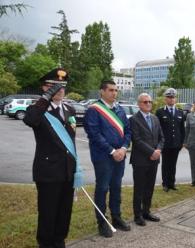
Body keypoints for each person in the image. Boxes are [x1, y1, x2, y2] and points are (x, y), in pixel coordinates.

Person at [23, 68, 77, 247]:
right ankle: (45, 243)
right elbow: (30, 120)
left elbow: (71, 142)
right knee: (48, 211)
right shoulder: (37, 109)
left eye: (62, 86)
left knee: (64, 210)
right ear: (45, 87)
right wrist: (46, 98)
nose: (60, 90)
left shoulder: (69, 109)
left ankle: (59, 240)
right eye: (54, 86)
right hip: (48, 171)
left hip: (67, 170)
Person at [84, 80, 131, 238]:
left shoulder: (119, 109)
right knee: (102, 188)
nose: (114, 93)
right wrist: (112, 151)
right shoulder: (94, 110)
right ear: (102, 92)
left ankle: (116, 217)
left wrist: (124, 148)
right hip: (103, 156)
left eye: (116, 90)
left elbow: (128, 131)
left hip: (120, 156)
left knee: (116, 187)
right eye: (111, 90)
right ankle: (102, 222)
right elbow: (94, 134)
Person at [130, 93, 164, 226]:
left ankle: (146, 212)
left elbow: (162, 137)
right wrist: (152, 152)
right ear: (139, 104)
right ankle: (137, 215)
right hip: (140, 160)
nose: (148, 103)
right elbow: (136, 140)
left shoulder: (155, 118)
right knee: (139, 188)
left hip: (154, 159)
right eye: (145, 102)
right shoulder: (134, 119)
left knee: (149, 187)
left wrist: (159, 150)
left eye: (150, 101)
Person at [156, 88, 185, 192]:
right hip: (165, 144)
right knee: (165, 164)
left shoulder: (180, 112)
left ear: (175, 99)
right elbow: (157, 129)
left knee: (173, 164)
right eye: (169, 97)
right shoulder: (160, 112)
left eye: (173, 97)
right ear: (165, 99)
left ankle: (172, 183)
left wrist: (182, 142)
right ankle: (165, 184)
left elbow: (182, 129)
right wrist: (158, 143)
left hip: (176, 144)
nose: (171, 99)